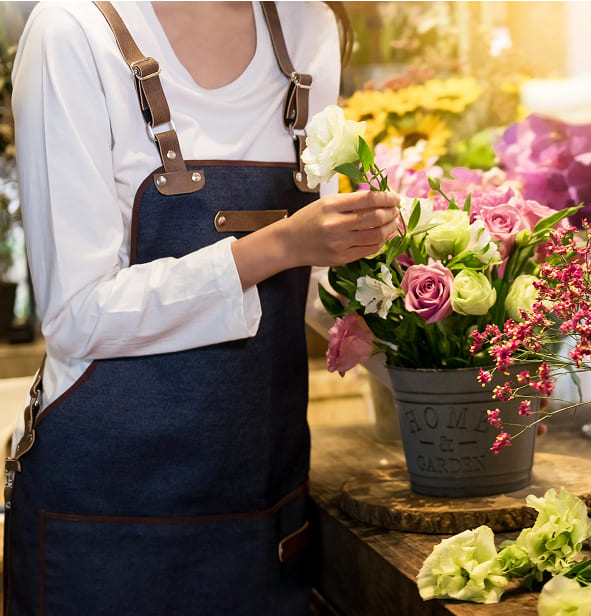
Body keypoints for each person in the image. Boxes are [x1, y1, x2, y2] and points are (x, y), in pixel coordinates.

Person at [3, 2, 399, 614]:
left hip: (261, 490)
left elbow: (316, 277)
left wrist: (403, 306)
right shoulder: (73, 30)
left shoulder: (306, 29)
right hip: (105, 506)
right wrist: (275, 247)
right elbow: (76, 315)